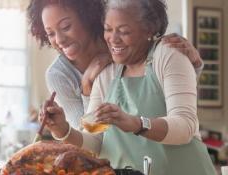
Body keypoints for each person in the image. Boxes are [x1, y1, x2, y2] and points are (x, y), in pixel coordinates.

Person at [39, 0, 217, 174]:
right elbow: (96, 141)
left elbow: (185, 126)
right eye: (108, 29)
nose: (113, 39)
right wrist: (62, 130)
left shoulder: (168, 54)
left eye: (123, 31)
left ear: (148, 30)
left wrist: (136, 123)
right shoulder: (106, 73)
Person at [27, 0, 204, 130]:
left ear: (87, 18)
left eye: (66, 27)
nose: (59, 40)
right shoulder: (58, 75)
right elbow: (85, 136)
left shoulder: (123, 46)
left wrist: (193, 64)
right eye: (50, 33)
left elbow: (170, 95)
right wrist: (87, 85)